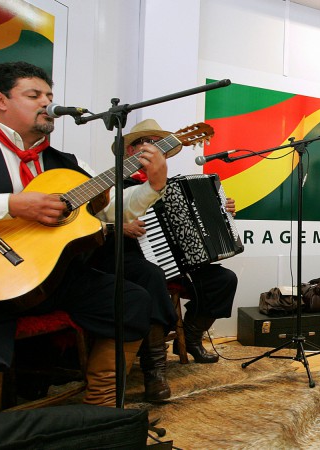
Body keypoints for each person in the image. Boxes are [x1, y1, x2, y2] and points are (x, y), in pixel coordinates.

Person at [0, 61, 155, 407]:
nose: (47, 103)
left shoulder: (66, 161)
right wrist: (13, 205)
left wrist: (154, 184)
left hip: (49, 277)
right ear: (0, 99)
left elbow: (111, 208)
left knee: (132, 300)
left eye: (50, 95)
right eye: (34, 95)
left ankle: (100, 410)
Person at [91, 119, 239, 403]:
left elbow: (199, 221)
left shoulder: (172, 185)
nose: (151, 148)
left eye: (155, 143)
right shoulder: (110, 184)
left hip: (174, 258)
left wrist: (222, 208)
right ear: (130, 149)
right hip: (123, 256)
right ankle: (154, 371)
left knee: (223, 279)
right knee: (151, 277)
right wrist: (115, 226)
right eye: (144, 142)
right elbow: (84, 221)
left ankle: (193, 338)